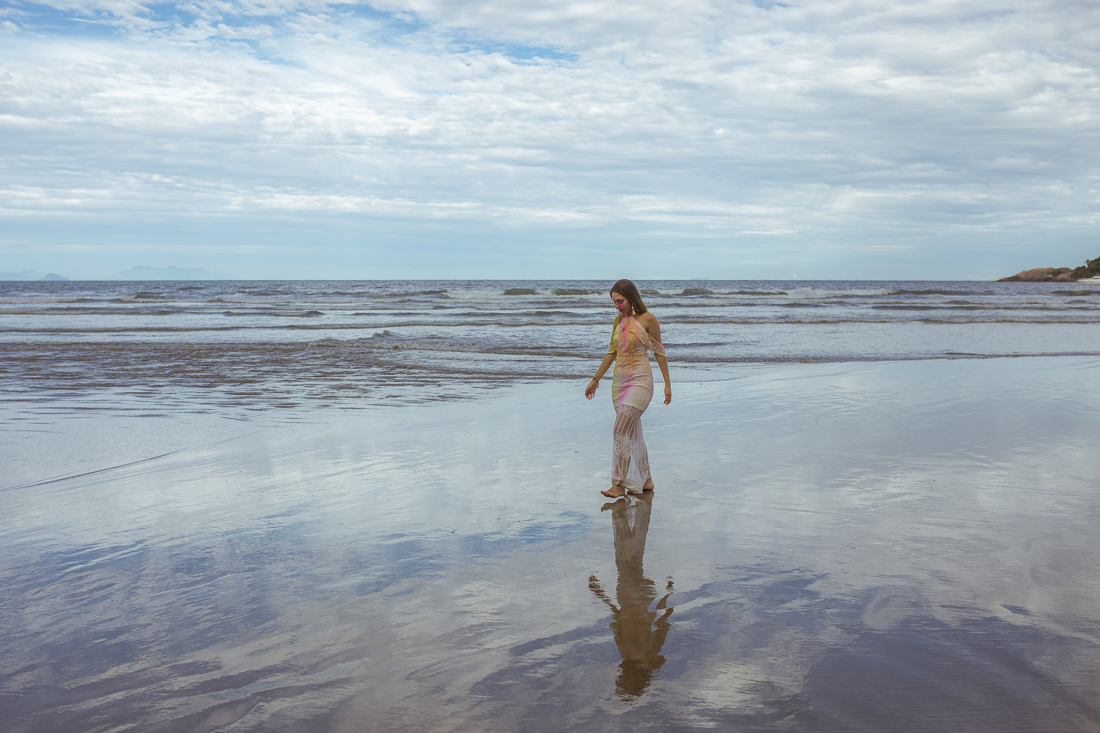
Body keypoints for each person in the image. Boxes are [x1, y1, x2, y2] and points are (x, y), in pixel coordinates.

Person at [584, 279, 670, 499]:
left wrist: (667, 385)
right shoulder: (617, 322)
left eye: (620, 301)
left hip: (641, 382)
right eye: (614, 302)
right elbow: (612, 353)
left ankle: (618, 484)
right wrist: (595, 379)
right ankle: (646, 480)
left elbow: (659, 352)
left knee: (620, 430)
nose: (617, 306)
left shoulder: (648, 319)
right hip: (619, 384)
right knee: (632, 431)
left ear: (631, 297)